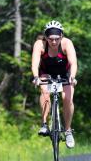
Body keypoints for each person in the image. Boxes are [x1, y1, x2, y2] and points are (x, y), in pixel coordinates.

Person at [31, 20, 78, 148]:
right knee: (45, 92)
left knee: (66, 98)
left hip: (65, 75)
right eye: (50, 39)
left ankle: (68, 131)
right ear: (45, 37)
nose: (54, 42)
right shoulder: (40, 44)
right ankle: (45, 124)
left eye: (57, 39)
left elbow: (73, 63)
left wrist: (72, 77)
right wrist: (36, 77)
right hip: (46, 73)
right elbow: (35, 63)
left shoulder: (67, 43)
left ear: (61, 36)